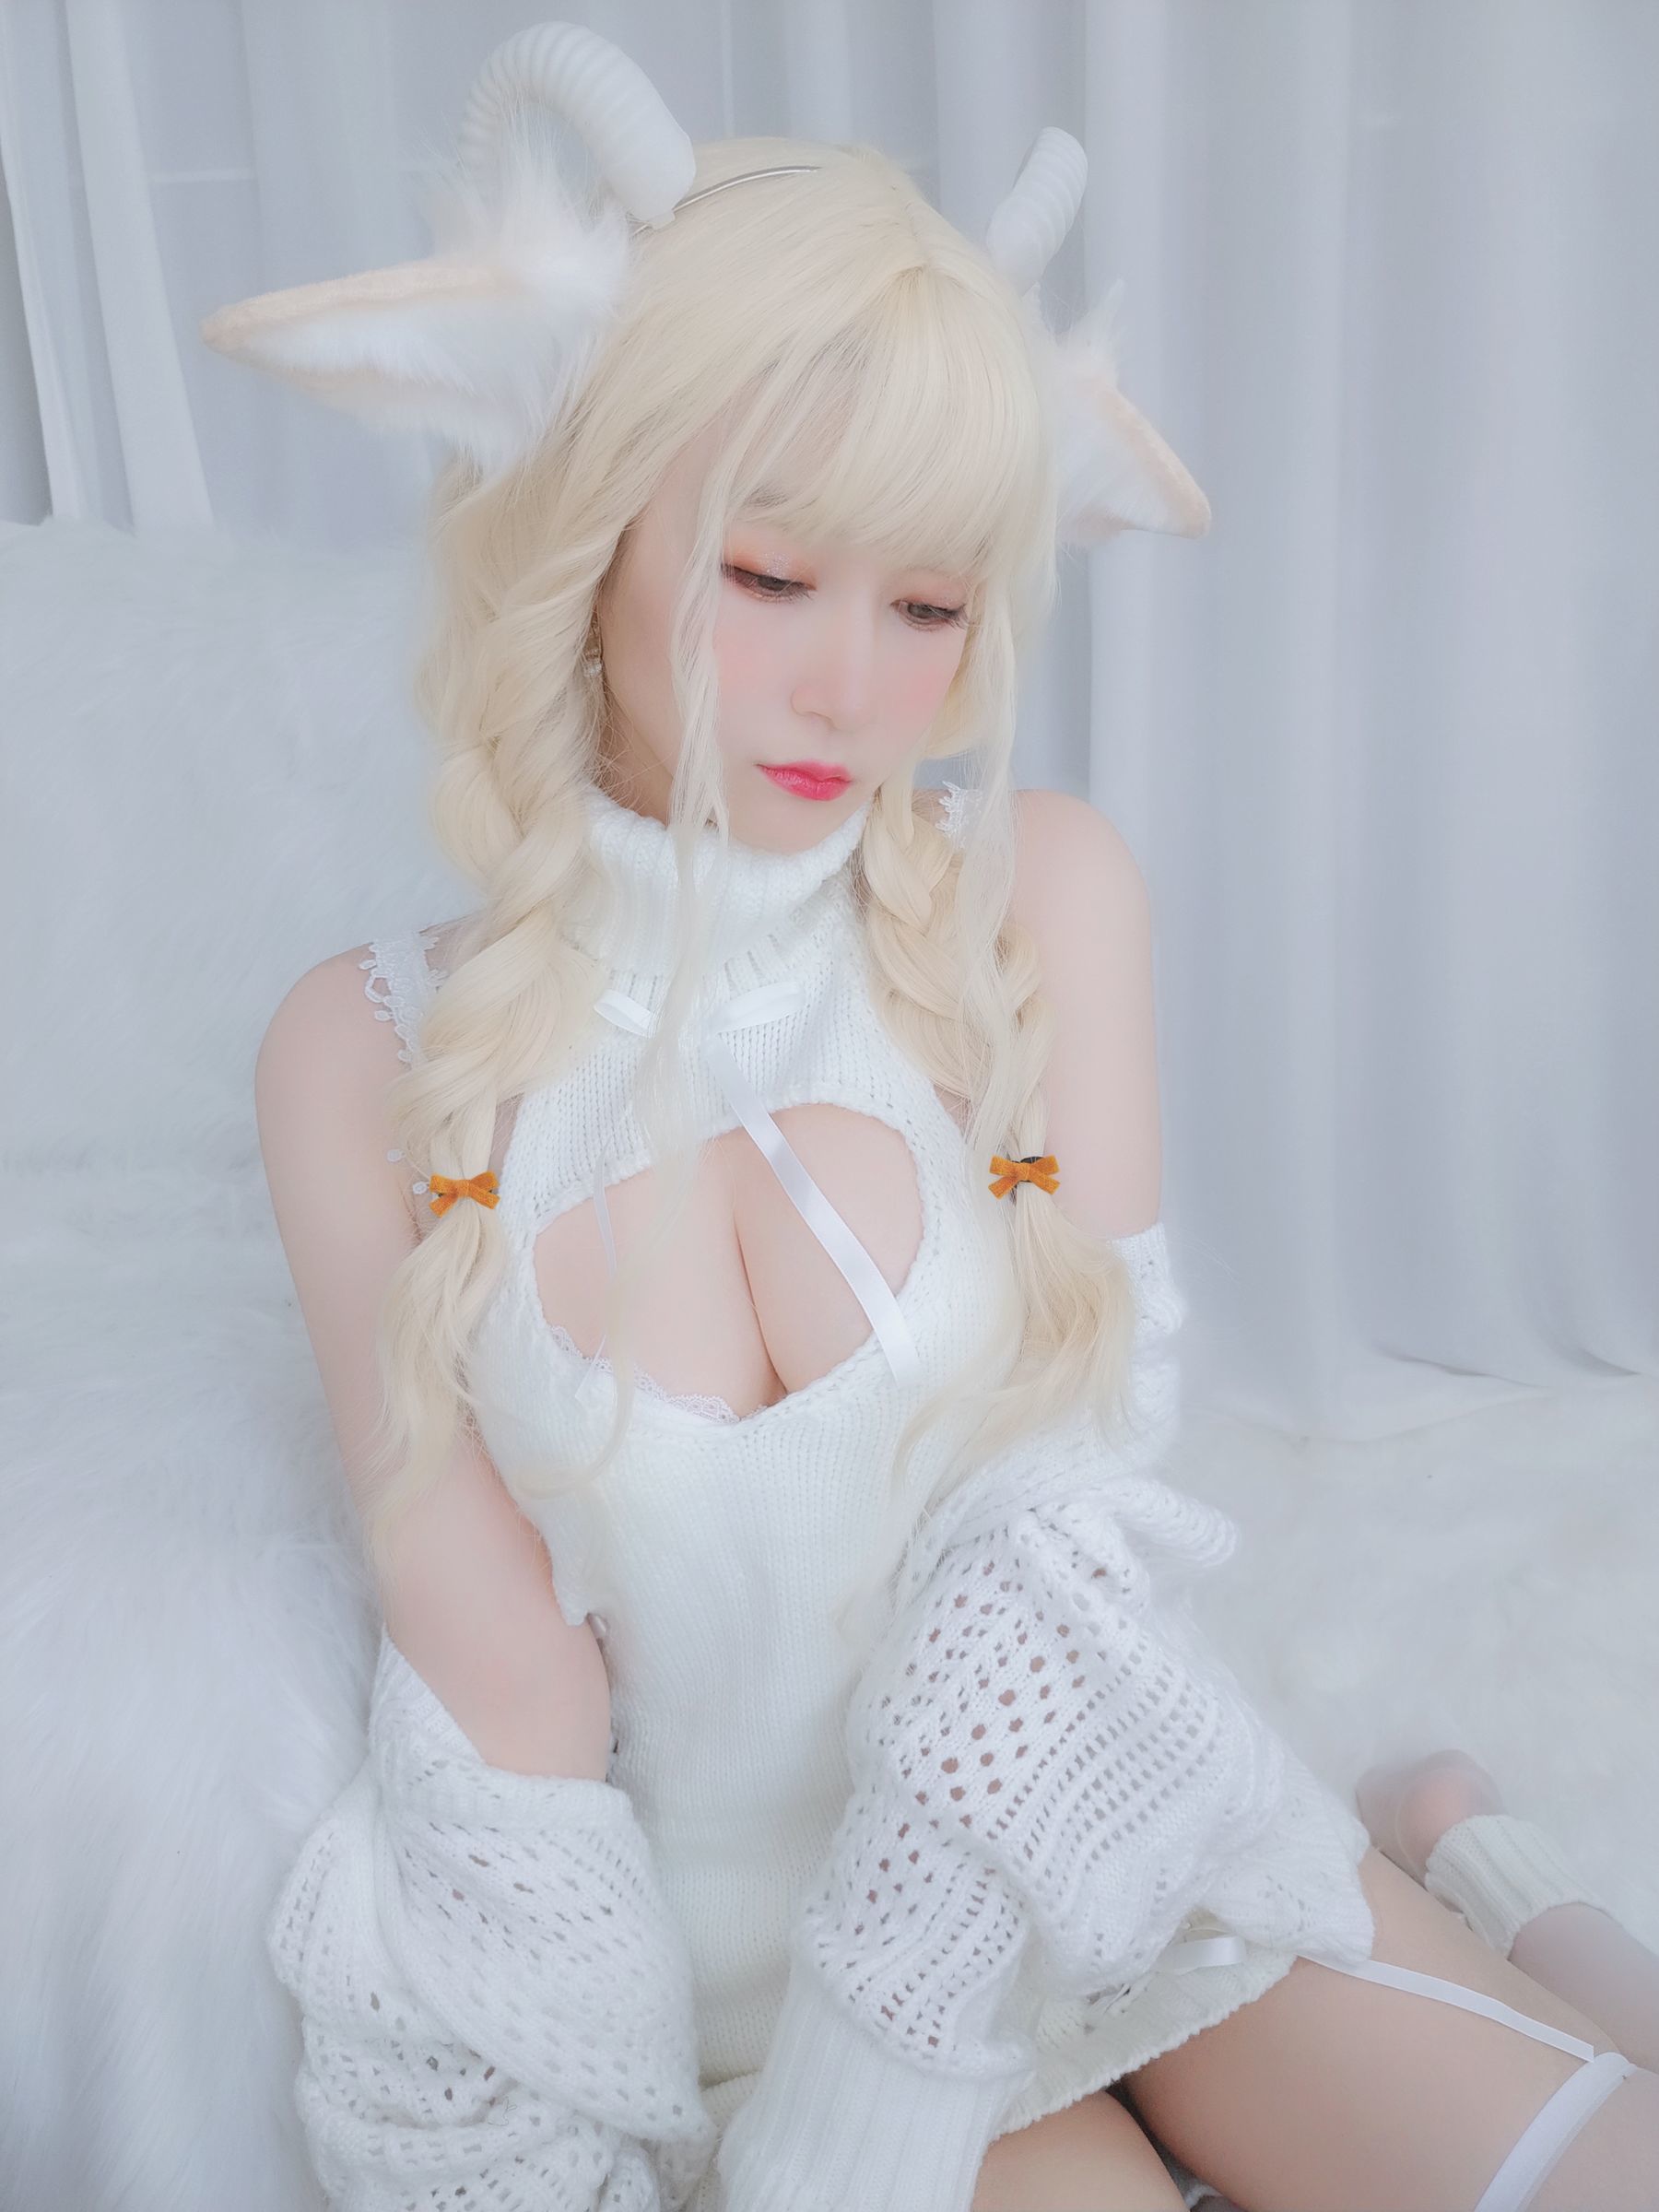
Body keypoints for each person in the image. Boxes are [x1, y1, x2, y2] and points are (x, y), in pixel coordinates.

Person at [211, 20, 1659, 2211]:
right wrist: (653, 2115)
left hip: (1096, 1843)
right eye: (771, 577)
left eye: (929, 605)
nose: (852, 689)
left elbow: (1067, 1523)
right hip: (741, 2001)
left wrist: (888, 2046)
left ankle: (1496, 1881)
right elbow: (501, 1697)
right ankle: (1468, 1875)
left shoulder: (1035, 898)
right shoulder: (359, 1052)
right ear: (588, 533)